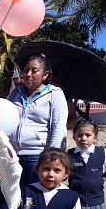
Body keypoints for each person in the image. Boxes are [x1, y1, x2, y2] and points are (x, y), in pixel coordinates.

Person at [7, 54, 68, 190]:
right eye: (26, 70)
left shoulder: (55, 94)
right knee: (14, 197)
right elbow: (4, 118)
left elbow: (58, 127)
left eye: (34, 71)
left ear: (45, 75)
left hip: (38, 156)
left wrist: (52, 157)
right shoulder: (15, 92)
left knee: (36, 197)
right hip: (13, 155)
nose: (28, 74)